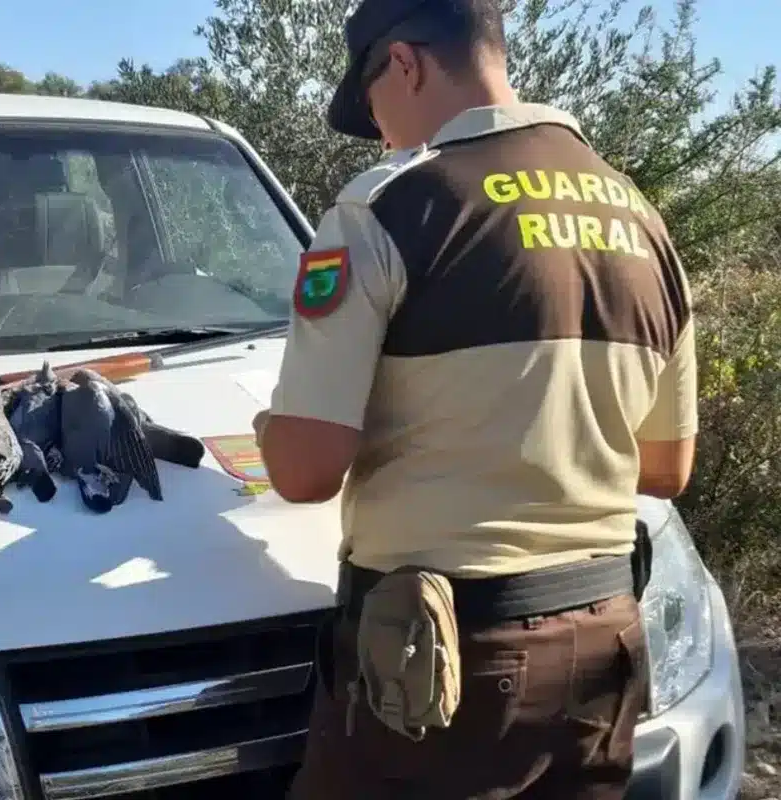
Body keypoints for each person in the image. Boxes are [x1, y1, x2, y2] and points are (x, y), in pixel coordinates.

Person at [251, 0, 697, 797]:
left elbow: (306, 472)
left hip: (440, 670)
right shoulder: (642, 222)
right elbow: (665, 467)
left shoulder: (389, 208)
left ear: (406, 65)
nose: (382, 131)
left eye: (374, 105)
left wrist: (269, 428)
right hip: (603, 650)